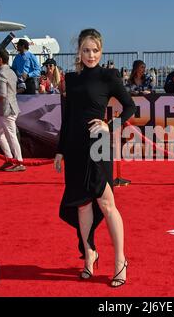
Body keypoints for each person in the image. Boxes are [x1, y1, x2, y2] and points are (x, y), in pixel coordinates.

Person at [54, 28, 136, 288]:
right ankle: (89, 254)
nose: (91, 55)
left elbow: (130, 106)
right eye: (87, 50)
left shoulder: (108, 76)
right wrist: (60, 149)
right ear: (79, 50)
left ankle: (120, 260)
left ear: (102, 51)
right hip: (76, 147)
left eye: (96, 50)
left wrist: (109, 125)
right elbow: (67, 119)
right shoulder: (71, 79)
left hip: (99, 145)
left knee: (106, 203)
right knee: (81, 204)